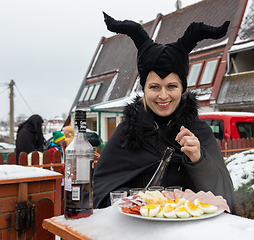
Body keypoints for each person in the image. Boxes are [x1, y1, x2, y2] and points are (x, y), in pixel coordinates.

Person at [93, 13, 237, 215]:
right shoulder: (126, 134)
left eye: (171, 86)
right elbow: (101, 192)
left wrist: (198, 159)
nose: (163, 96)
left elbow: (225, 198)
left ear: (182, 88)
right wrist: (140, 202)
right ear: (144, 89)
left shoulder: (199, 133)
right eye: (154, 87)